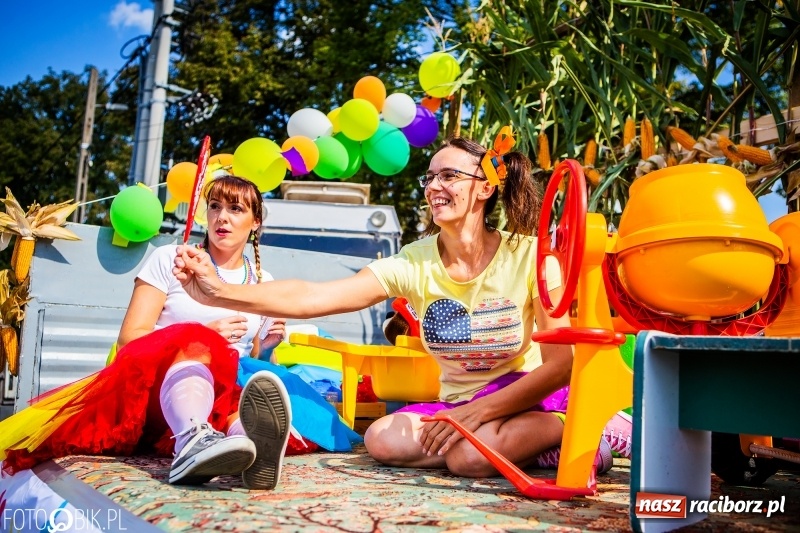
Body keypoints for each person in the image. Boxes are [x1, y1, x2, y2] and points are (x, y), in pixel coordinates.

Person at [173, 130, 632, 478]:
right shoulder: (415, 261)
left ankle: (577, 433)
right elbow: (316, 296)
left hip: (529, 399)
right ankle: (508, 447)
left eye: (449, 176)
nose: (434, 186)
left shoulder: (531, 256)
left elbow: (560, 365)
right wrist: (220, 291)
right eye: (430, 177)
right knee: (382, 439)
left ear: (485, 187)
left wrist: (477, 414)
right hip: (458, 406)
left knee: (469, 459)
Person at [0, 175, 357, 489]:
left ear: (255, 222)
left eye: (235, 209)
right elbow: (130, 337)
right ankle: (191, 439)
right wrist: (203, 335)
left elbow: (255, 361)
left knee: (249, 391)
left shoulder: (265, 282)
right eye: (215, 206)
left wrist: (264, 348)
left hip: (226, 389)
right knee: (196, 344)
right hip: (160, 391)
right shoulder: (172, 259)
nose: (222, 217)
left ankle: (251, 449)